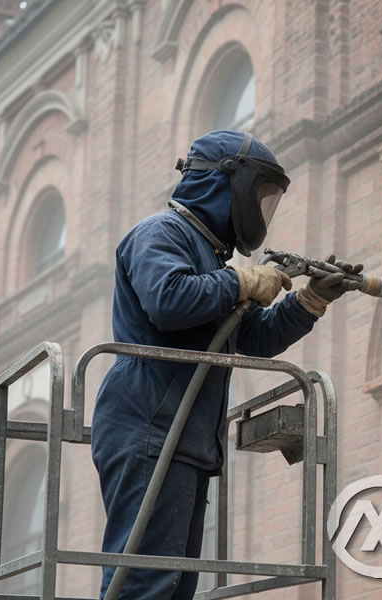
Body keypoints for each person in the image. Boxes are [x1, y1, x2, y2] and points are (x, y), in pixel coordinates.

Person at [91, 130, 360, 599]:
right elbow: (167, 300)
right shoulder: (161, 233)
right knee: (145, 583)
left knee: (174, 588)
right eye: (261, 195)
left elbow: (251, 337)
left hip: (186, 439)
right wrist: (239, 280)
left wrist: (310, 300)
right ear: (228, 183)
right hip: (149, 428)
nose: (262, 211)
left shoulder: (216, 259)